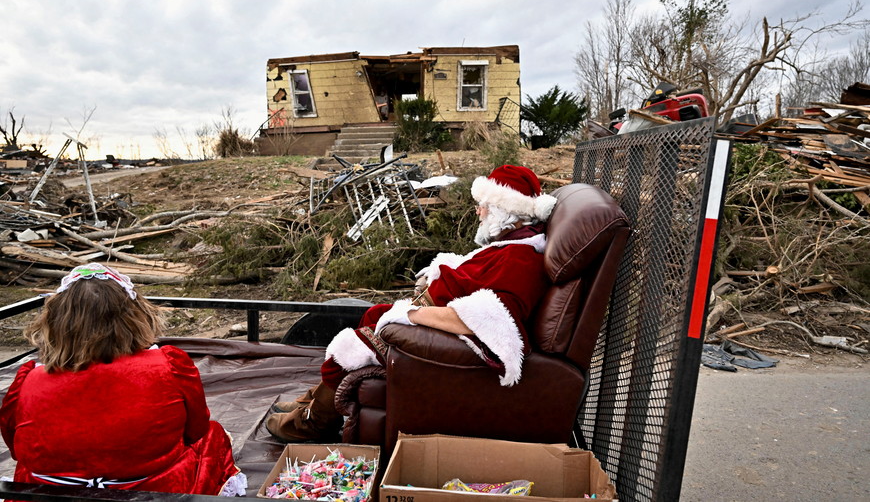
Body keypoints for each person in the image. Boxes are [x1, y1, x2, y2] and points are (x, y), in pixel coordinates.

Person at [266, 164, 558, 442]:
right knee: (373, 314)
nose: (478, 211)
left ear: (506, 210)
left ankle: (314, 421)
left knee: (355, 345)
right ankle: (314, 400)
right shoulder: (511, 246)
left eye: (484, 204)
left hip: (436, 337)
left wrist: (413, 314)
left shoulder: (519, 261)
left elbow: (491, 320)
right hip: (431, 319)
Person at [0, 263, 246, 496]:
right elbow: (196, 430)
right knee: (213, 434)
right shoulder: (169, 365)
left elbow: (15, 448)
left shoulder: (28, 380)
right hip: (152, 492)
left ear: (55, 323)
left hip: (52, 495)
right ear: (135, 316)